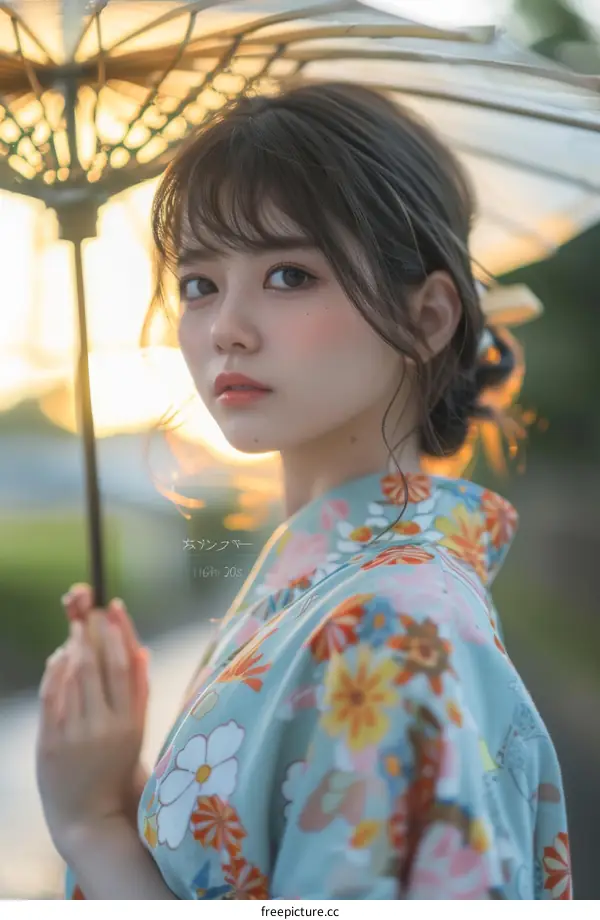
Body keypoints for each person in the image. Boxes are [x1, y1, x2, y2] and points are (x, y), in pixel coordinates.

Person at [36, 82, 572, 900]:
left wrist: (93, 827)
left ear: (429, 319)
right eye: (198, 283)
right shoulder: (334, 593)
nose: (226, 328)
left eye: (289, 274)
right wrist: (127, 788)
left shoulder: (394, 629)